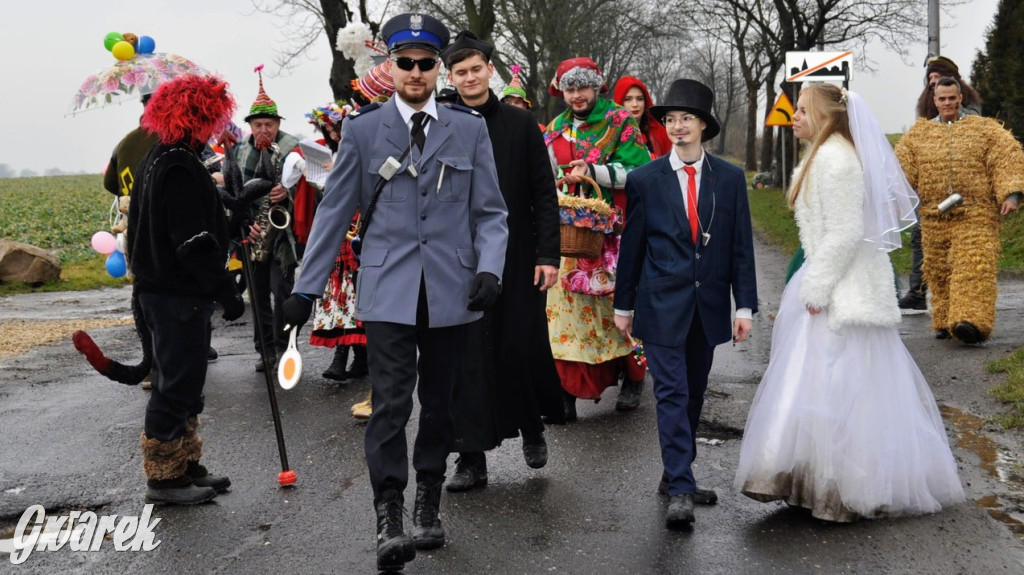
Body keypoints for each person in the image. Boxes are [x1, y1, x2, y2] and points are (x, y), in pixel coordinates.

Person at [281, 13, 508, 572]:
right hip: (387, 291)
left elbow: (492, 213)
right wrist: (304, 292)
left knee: (440, 404)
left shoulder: (469, 128)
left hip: (453, 290)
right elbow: (334, 214)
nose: (414, 72)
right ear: (391, 66)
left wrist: (491, 270)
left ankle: (427, 500)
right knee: (390, 406)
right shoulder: (361, 131)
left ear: (438, 69)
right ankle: (389, 516)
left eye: (425, 63)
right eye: (403, 62)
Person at [735, 83, 965, 522]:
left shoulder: (836, 159)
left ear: (825, 115)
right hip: (826, 277)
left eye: (803, 110)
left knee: (839, 386)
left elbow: (843, 233)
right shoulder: (824, 155)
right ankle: (805, 476)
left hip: (839, 288)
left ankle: (839, 486)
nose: (795, 117)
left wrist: (816, 290)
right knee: (816, 382)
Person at [613, 79, 756, 529]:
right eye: (670, 120)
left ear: (703, 126)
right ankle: (679, 486)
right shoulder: (645, 180)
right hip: (659, 305)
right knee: (671, 392)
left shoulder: (729, 179)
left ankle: (676, 473)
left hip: (709, 304)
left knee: (693, 393)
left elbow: (740, 247)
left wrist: (744, 306)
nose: (677, 127)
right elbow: (632, 246)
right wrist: (623, 304)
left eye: (686, 119)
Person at [440, 31, 563, 492]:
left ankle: (532, 427)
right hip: (457, 259)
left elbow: (543, 195)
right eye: (460, 71)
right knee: (465, 357)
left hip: (517, 256)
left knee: (518, 344)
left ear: (491, 70)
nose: (469, 78)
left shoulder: (520, 124)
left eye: (476, 69)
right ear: (449, 77)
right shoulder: (441, 124)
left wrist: (548, 254)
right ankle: (470, 457)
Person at [126, 75, 245, 505]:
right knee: (174, 383)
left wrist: (232, 219)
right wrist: (227, 292)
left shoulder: (169, 157)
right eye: (211, 117)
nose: (215, 125)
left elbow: (197, 225)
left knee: (187, 380)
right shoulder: (176, 165)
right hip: (175, 292)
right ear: (197, 115)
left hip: (169, 290)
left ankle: (184, 463)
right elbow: (192, 242)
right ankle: (163, 478)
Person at [543, 57, 652, 418]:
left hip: (615, 235)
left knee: (619, 311)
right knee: (567, 316)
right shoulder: (556, 129)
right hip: (569, 239)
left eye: (583, 87)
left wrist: (594, 171)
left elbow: (641, 171)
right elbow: (542, 178)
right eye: (569, 88)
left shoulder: (620, 121)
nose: (576, 95)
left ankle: (634, 376)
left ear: (597, 86)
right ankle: (564, 391)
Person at [895, 77, 1024, 344]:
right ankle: (944, 319)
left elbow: (1008, 158)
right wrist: (895, 199)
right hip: (934, 214)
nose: (947, 103)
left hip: (976, 211)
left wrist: (1011, 195)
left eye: (952, 98)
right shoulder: (918, 135)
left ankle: (971, 322)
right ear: (934, 101)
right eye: (942, 99)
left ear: (960, 98)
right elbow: (901, 170)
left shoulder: (984, 130)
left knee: (973, 265)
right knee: (939, 270)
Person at [899, 55, 984, 311]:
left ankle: (958, 304)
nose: (933, 83)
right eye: (930, 80)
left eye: (937, 78)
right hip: (931, 192)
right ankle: (919, 290)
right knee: (920, 238)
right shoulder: (925, 112)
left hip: (961, 191)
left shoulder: (970, 113)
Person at [232, 66, 301, 372]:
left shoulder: (292, 149)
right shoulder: (238, 152)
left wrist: (287, 194)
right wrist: (248, 223)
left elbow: (312, 189)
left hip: (282, 235)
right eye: (258, 124)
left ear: (278, 124)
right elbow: (232, 196)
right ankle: (265, 351)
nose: (264, 130)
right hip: (253, 234)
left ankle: (286, 347)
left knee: (283, 293)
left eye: (269, 124)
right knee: (258, 297)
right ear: (250, 125)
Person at [296, 103, 370, 383]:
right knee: (339, 294)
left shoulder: (359, 150)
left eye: (335, 125)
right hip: (336, 230)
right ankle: (341, 355)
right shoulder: (329, 155)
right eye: (327, 127)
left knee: (355, 293)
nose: (333, 132)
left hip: (357, 227)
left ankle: (359, 356)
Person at [612, 76, 672, 158]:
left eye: (639, 99)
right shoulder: (609, 133)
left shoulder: (660, 131)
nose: (635, 104)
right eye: (628, 99)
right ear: (619, 103)